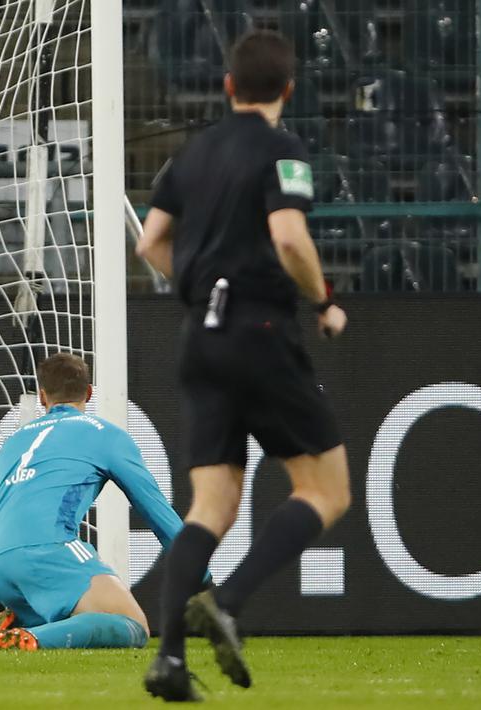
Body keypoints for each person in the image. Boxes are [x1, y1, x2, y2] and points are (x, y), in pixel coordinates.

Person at [136, 30, 351, 701]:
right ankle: (227, 601)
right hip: (258, 327)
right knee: (325, 491)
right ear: (287, 90)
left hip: (198, 336)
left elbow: (149, 240)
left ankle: (169, 661)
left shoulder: (194, 151)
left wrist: (198, 288)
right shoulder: (281, 149)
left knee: (209, 507)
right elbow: (288, 236)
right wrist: (322, 299)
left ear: (227, 87)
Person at [0, 353, 192, 651]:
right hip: (47, 551)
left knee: (68, 624)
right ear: (88, 392)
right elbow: (157, 512)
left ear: (43, 397)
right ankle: (29, 638)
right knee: (133, 625)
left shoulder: (12, 443)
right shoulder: (106, 435)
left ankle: (15, 631)